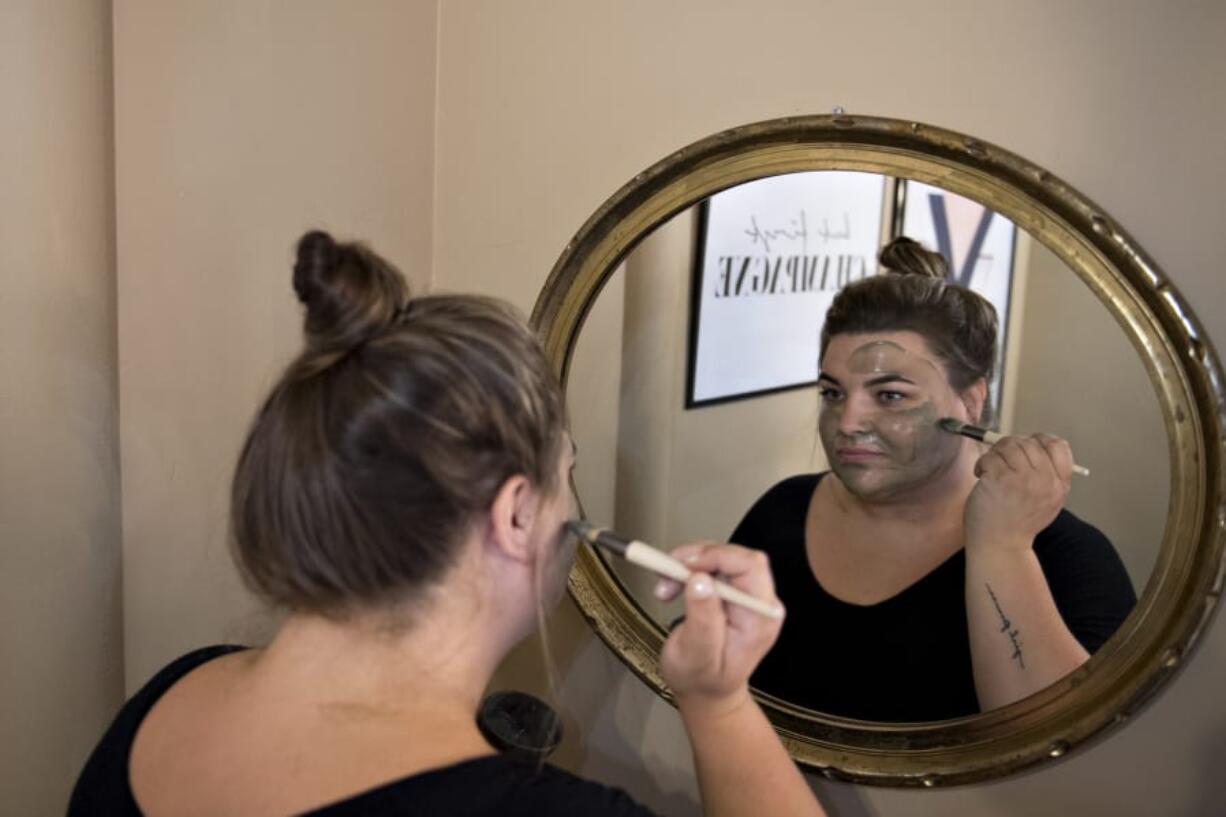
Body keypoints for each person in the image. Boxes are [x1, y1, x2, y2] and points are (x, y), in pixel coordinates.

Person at [69, 231, 826, 816]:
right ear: (517, 512)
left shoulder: (166, 698)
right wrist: (719, 703)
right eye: (568, 474)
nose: (575, 508)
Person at [732, 237, 1136, 722]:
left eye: (891, 396)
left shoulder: (1069, 559)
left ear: (971, 403)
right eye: (833, 392)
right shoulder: (782, 511)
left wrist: (1001, 546)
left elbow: (1059, 745)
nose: (847, 421)